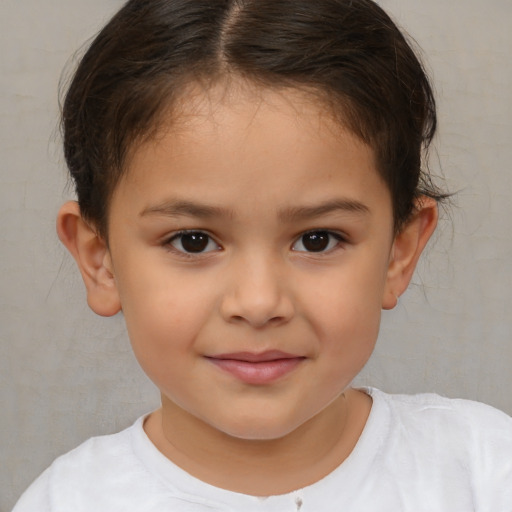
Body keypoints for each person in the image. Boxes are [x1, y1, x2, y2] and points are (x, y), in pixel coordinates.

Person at [13, 0, 512, 510]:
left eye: (317, 239)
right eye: (193, 240)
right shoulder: (67, 501)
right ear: (101, 260)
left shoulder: (486, 473)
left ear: (398, 253)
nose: (257, 302)